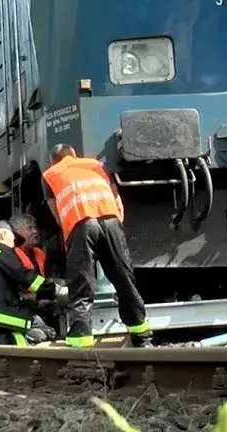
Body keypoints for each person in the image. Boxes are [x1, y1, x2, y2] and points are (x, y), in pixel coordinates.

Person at [42, 143, 151, 348]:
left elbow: (54, 210)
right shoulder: (94, 165)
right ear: (74, 155)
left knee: (81, 284)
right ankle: (141, 337)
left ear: (53, 160)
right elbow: (116, 196)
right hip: (110, 220)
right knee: (124, 279)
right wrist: (117, 224)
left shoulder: (50, 174)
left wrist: (68, 234)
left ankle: (81, 343)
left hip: (81, 224)